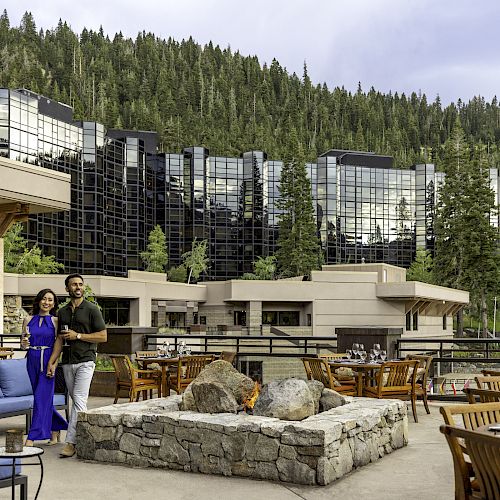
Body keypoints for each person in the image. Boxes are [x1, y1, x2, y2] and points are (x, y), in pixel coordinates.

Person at [47, 274, 107, 458]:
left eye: (80, 284)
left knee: (79, 400)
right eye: (74, 284)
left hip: (86, 360)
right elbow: (59, 338)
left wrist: (78, 336)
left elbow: (103, 336)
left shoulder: (92, 309)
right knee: (78, 404)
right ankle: (85, 435)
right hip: (68, 363)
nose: (78, 287)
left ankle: (70, 442)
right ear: (67, 289)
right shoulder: (63, 312)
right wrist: (52, 361)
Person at [21, 289, 68, 446]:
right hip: (32, 360)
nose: (46, 302)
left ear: (54, 304)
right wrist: (24, 344)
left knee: (41, 398)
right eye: (44, 299)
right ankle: (56, 428)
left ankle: (32, 437)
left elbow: (58, 344)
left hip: (48, 360)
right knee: (43, 399)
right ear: (39, 300)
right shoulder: (28, 320)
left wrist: (53, 363)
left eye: (50, 300)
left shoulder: (55, 321)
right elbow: (23, 344)